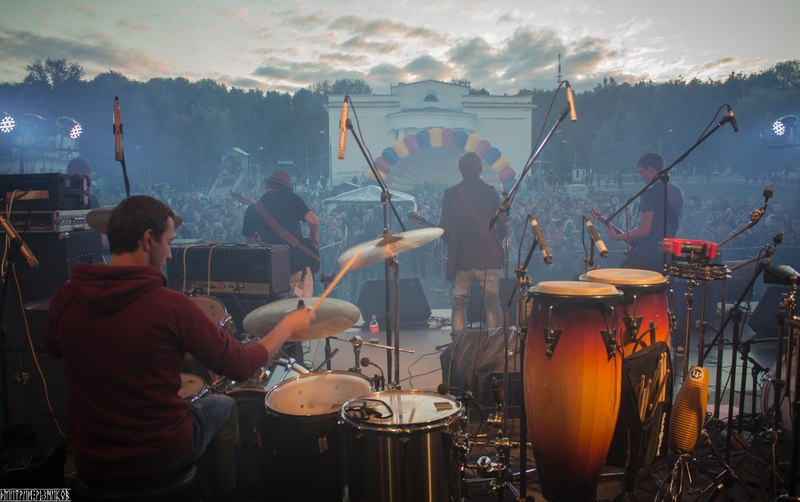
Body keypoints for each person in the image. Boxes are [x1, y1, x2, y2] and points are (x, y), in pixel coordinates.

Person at [45, 195, 313, 499]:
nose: (170, 254)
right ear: (148, 239)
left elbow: (55, 349)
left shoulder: (65, 297)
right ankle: (227, 492)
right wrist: (287, 327)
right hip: (161, 454)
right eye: (168, 242)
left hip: (91, 460)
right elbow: (241, 366)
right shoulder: (170, 307)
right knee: (223, 405)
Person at [439, 152, 505, 337]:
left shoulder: (451, 194)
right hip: (487, 257)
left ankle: (458, 347)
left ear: (461, 170)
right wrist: (492, 242)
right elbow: (502, 225)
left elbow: (444, 228)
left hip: (462, 258)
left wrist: (456, 243)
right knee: (492, 304)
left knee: (460, 302)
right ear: (480, 169)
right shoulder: (490, 192)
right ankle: (494, 345)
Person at [241, 170, 320, 297]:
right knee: (301, 307)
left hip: (271, 273)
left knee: (277, 310)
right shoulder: (291, 198)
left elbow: (248, 245)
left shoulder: (253, 209)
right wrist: (313, 236)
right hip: (297, 269)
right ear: (286, 187)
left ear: (267, 186)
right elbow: (314, 221)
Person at [604, 152, 684, 272]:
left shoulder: (649, 193)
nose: (640, 177)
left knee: (618, 283)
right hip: (667, 254)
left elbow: (645, 230)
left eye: (641, 172)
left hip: (647, 253)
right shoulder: (678, 191)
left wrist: (617, 236)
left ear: (651, 170)